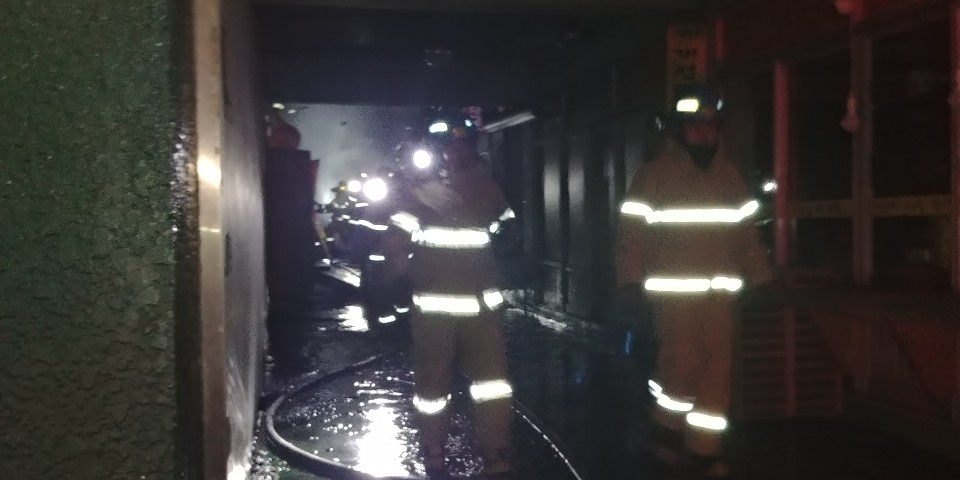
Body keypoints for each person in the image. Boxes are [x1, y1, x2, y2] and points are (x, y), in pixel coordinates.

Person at [615, 83, 775, 478]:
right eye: (696, 126)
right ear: (679, 130)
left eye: (711, 126)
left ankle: (705, 448)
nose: (705, 133)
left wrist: (761, 278)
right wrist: (629, 283)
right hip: (674, 297)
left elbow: (747, 236)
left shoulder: (730, 177)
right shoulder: (653, 176)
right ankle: (667, 429)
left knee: (717, 371)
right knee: (680, 363)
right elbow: (631, 236)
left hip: (720, 296)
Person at [381, 110, 516, 479]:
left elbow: (508, 234)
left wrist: (396, 280)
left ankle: (488, 455)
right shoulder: (428, 193)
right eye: (449, 147)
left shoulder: (480, 190)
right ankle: (441, 453)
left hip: (464, 310)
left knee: (485, 386)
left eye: (460, 146)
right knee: (439, 387)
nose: (454, 153)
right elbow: (396, 243)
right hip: (459, 310)